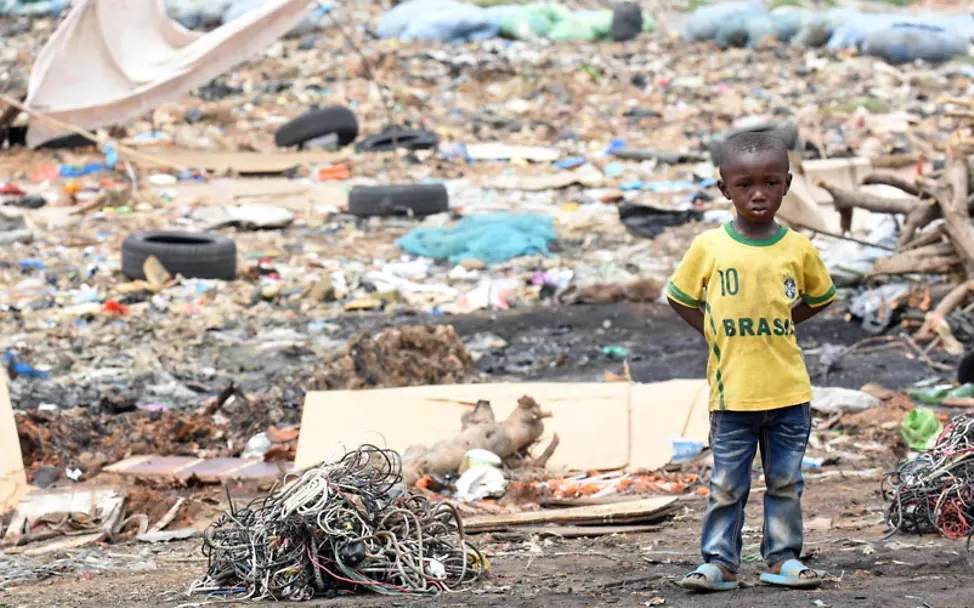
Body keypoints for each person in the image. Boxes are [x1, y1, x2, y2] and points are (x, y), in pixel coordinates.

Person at [666, 131, 835, 592]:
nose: (758, 193)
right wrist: (712, 330)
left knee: (785, 484)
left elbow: (820, 296)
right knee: (726, 487)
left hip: (789, 394)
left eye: (770, 182)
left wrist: (785, 320)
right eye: (744, 185)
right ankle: (719, 564)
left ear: (787, 184)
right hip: (732, 395)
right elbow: (679, 297)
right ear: (724, 189)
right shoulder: (710, 247)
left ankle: (782, 559)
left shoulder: (796, 247)